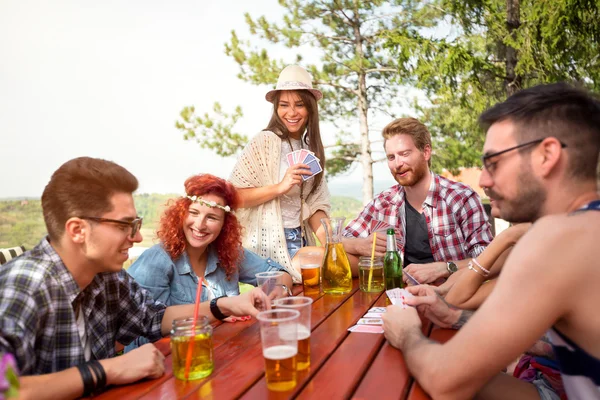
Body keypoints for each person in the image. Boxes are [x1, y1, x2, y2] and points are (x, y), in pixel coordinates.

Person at [382, 83, 600, 399]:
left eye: (493, 162)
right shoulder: (584, 227)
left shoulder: (558, 239)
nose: (483, 181)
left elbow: (446, 381)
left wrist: (408, 333)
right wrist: (453, 317)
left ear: (547, 155)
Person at [0, 157, 270, 400]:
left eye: (136, 224)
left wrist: (222, 306)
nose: (138, 237)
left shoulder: (108, 277)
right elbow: (6, 389)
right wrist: (108, 370)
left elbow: (153, 318)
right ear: (77, 230)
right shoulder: (24, 285)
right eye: (123, 226)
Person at [127, 174, 292, 344]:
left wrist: (278, 289)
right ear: (181, 214)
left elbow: (278, 272)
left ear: (224, 225)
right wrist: (217, 312)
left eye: (211, 217)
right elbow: (143, 330)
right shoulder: (157, 260)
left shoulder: (228, 252)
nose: (199, 225)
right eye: (194, 213)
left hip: (223, 352)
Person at [343, 117, 493, 279]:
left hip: (452, 295)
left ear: (426, 152)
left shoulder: (461, 198)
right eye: (391, 157)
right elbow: (339, 240)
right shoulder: (383, 202)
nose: (397, 164)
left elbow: (488, 259)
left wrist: (445, 268)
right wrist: (359, 245)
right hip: (399, 297)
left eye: (404, 154)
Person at [229, 65, 330, 282]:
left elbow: (314, 209)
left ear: (310, 108)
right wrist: (280, 187)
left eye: (299, 105)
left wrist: (335, 242)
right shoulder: (264, 141)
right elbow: (235, 197)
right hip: (271, 243)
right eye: (284, 105)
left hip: (302, 240)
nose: (291, 113)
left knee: (341, 260)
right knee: (328, 264)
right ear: (276, 108)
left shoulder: (310, 147)